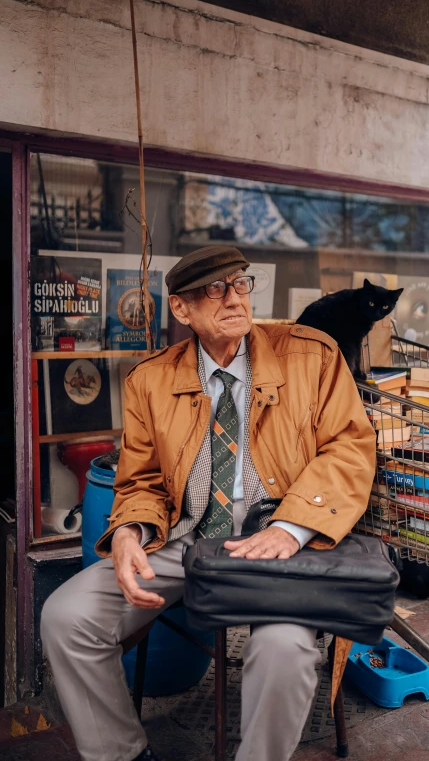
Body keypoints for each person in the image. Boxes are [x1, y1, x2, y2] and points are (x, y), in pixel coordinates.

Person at [41, 246, 376, 761]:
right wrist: (130, 532)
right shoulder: (150, 379)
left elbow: (350, 448)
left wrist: (291, 527)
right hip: (185, 539)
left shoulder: (312, 356)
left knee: (284, 651)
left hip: (282, 546)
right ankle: (122, 753)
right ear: (182, 309)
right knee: (66, 616)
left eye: (240, 284)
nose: (234, 299)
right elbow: (141, 480)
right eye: (215, 290)